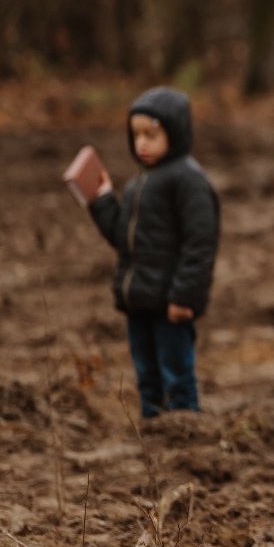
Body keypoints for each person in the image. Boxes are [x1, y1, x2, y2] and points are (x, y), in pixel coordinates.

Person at [86, 87, 220, 419]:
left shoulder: (188, 181)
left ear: (175, 133)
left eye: (151, 134)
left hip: (170, 303)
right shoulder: (138, 185)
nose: (142, 143)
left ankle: (185, 430)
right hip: (140, 301)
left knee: (176, 375)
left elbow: (200, 243)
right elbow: (124, 238)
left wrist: (184, 297)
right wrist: (101, 200)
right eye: (136, 135)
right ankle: (154, 434)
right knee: (147, 376)